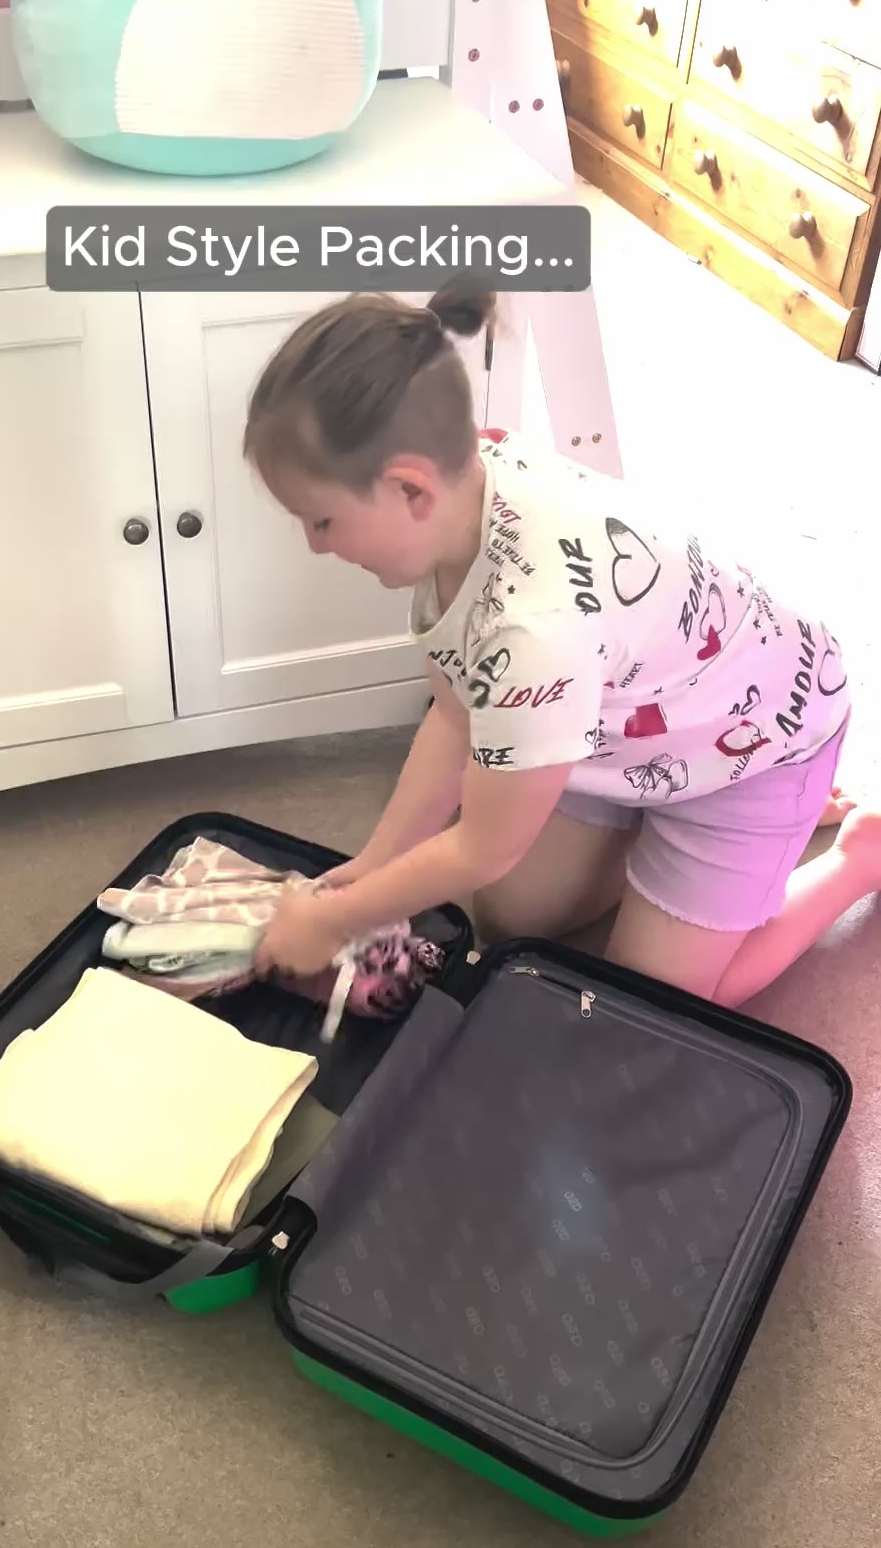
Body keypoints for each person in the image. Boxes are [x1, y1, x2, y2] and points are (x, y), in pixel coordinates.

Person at [245, 284, 873, 1009]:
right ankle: (698, 846)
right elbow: (456, 715)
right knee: (515, 917)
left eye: (321, 521)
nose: (314, 547)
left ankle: (853, 855)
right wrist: (377, 867)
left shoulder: (533, 633)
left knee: (655, 1001)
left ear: (411, 490)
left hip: (762, 743)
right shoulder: (468, 490)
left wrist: (333, 919)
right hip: (633, 727)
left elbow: (484, 844)